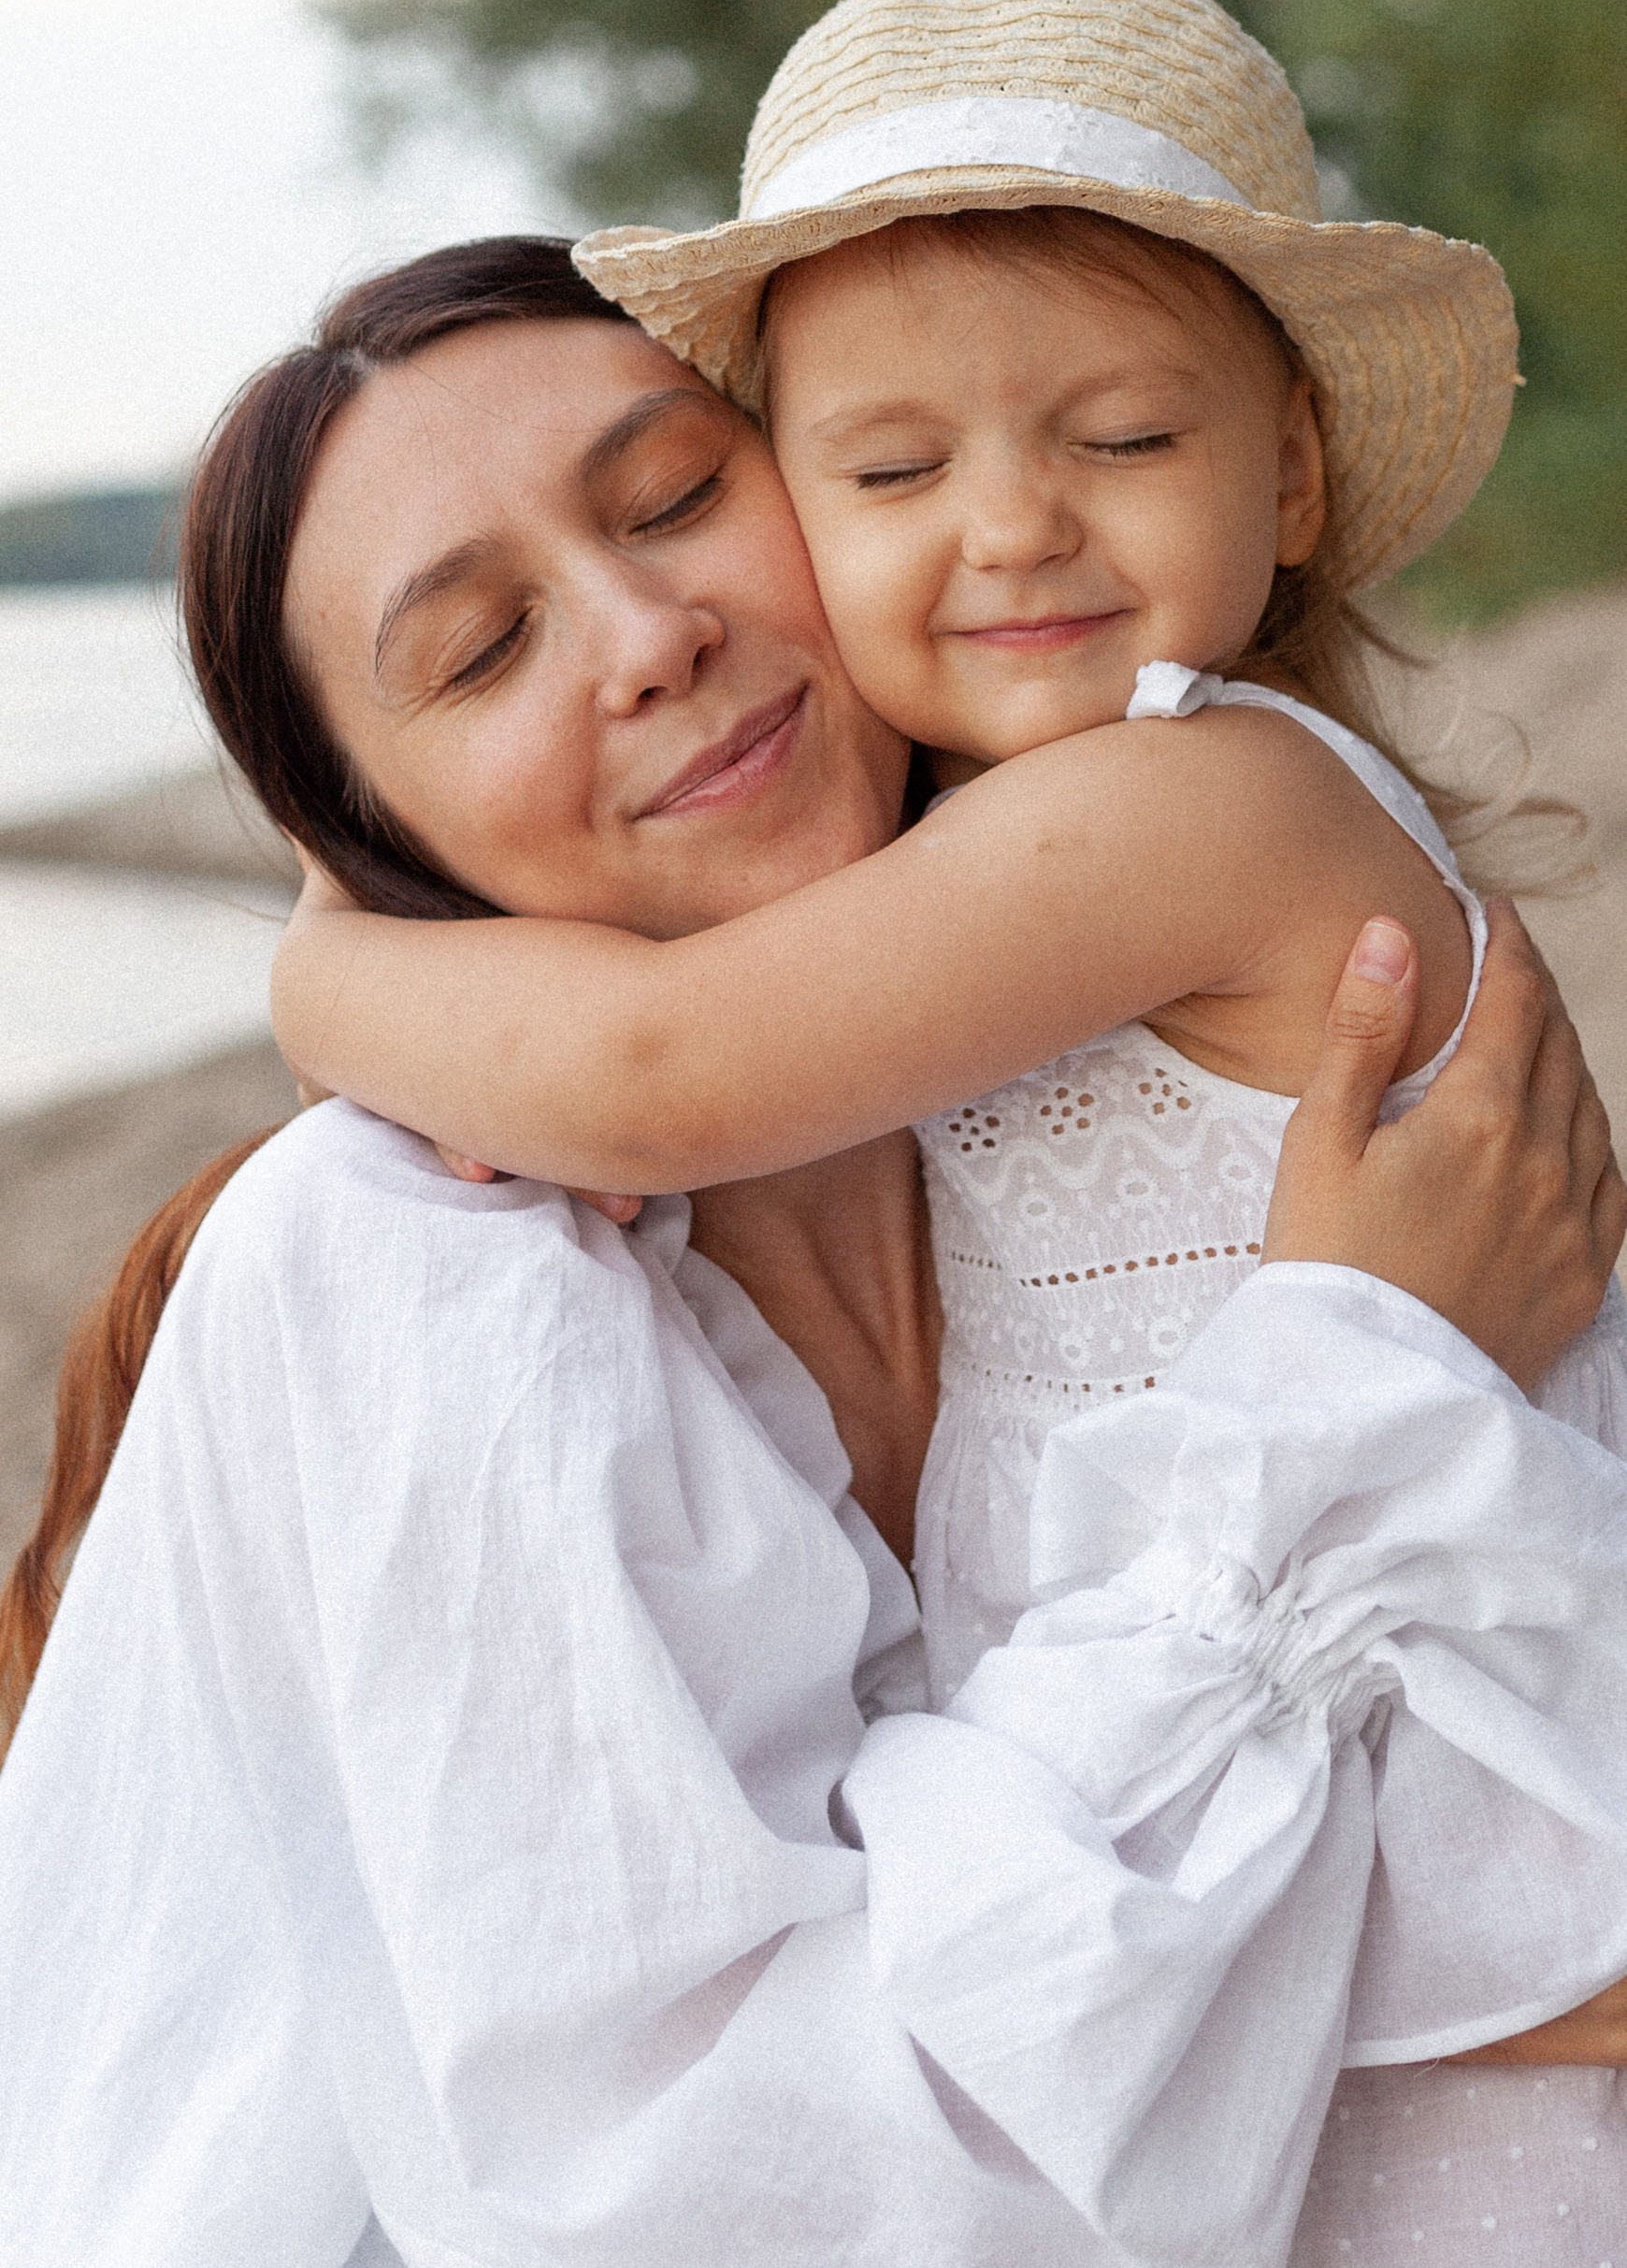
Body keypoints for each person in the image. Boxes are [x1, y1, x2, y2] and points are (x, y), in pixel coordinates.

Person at [0, 236, 1623, 2268]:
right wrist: (1359, 1394)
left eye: (678, 497)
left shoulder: (1062, 1104)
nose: (648, 630)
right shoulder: (404, 1257)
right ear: (384, 836)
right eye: (481, 649)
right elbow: (728, 2192)